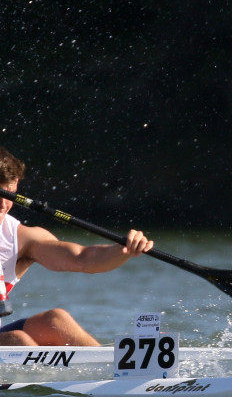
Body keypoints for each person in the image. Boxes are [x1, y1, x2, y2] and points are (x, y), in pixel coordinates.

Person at [0, 146, 154, 346]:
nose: (3, 205)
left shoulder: (22, 238)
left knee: (56, 320)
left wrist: (123, 250)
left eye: (10, 194)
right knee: (18, 340)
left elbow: (84, 259)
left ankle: (112, 373)